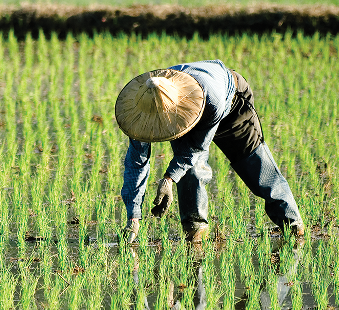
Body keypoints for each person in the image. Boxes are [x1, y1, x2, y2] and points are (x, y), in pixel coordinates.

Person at [115, 60, 304, 243]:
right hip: (182, 109)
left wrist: (169, 178)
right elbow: (136, 163)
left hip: (230, 104)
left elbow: (196, 148)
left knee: (253, 165)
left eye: (162, 122)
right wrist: (133, 216)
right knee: (191, 172)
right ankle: (195, 234)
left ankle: (293, 226)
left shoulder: (211, 98)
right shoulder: (140, 114)